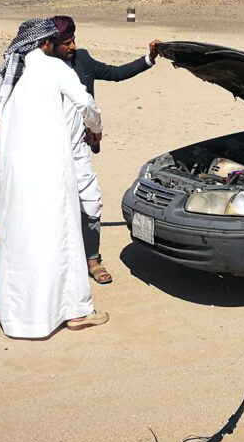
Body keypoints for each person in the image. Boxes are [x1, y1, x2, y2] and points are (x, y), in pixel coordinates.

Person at [0, 19, 108, 337]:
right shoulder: (55, 69)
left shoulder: (1, 72)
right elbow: (86, 104)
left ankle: (19, 316)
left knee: (18, 237)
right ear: (45, 42)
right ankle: (74, 311)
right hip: (51, 171)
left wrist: (0, 144)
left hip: (13, 174)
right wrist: (96, 128)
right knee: (60, 237)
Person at [48, 15, 161, 285]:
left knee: (91, 203)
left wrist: (149, 59)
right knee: (55, 207)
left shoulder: (82, 60)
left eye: (74, 40)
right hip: (50, 153)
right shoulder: (40, 69)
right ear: (50, 44)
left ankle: (92, 260)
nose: (73, 46)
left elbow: (116, 73)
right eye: (67, 42)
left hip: (79, 150)